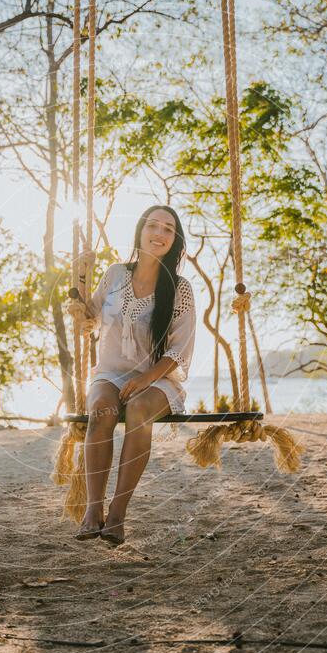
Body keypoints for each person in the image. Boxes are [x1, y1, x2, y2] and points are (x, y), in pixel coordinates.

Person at [75, 205, 196, 546]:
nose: (159, 233)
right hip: (110, 373)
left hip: (158, 380)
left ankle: (117, 515)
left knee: (140, 411)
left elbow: (178, 351)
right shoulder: (115, 275)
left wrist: (144, 380)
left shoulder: (180, 289)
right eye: (153, 226)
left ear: (175, 240)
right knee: (101, 410)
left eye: (168, 229)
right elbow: (91, 317)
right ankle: (92, 511)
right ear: (140, 231)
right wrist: (79, 283)